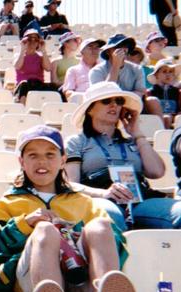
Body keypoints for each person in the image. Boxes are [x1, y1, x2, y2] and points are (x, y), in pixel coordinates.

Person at [0, 124, 137, 292]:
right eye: (33, 155)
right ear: (21, 161)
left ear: (63, 160)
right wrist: (25, 224)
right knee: (45, 230)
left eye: (50, 154)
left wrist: (76, 234)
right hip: (28, 282)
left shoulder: (82, 202)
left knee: (101, 226)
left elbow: (117, 244)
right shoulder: (7, 203)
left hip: (79, 277)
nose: (42, 162)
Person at [65, 81, 181, 230]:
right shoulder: (77, 142)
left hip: (139, 200)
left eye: (118, 101)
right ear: (90, 109)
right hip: (100, 198)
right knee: (109, 215)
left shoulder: (132, 141)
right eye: (106, 101)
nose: (114, 105)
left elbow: (156, 172)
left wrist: (137, 133)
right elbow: (70, 184)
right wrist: (104, 193)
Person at [89, 34, 163, 118]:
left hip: (131, 106)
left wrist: (125, 103)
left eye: (125, 46)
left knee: (153, 101)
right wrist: (116, 66)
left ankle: (161, 130)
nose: (122, 50)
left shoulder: (136, 69)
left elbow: (140, 92)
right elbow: (105, 94)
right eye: (117, 47)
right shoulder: (96, 71)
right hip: (106, 106)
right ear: (108, 51)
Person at [13, 29, 58, 105]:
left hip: (38, 84)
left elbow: (48, 68)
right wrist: (23, 49)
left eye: (36, 39)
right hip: (24, 86)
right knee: (24, 85)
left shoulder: (40, 57)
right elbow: (17, 67)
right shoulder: (19, 56)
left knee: (53, 86)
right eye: (29, 39)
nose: (33, 41)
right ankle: (22, 108)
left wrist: (43, 50)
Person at [147, 59, 180, 128]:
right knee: (166, 118)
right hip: (157, 122)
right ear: (156, 75)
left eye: (171, 72)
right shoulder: (150, 92)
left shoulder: (177, 92)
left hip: (174, 123)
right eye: (164, 72)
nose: (168, 74)